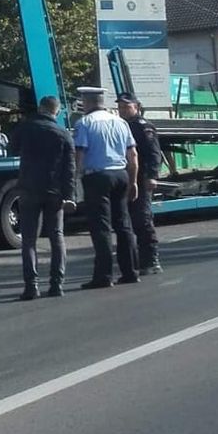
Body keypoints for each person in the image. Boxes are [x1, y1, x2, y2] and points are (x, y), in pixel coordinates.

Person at [8, 96, 76, 300]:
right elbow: (70, 169)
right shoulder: (63, 134)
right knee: (57, 236)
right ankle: (57, 284)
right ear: (57, 112)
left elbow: (12, 148)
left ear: (41, 108)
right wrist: (69, 195)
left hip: (29, 189)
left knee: (29, 240)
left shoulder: (26, 127)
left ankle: (31, 286)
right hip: (54, 191)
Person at [73, 87, 139, 289]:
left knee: (101, 227)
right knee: (123, 224)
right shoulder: (121, 123)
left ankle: (103, 275)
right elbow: (133, 156)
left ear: (87, 102)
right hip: (121, 175)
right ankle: (130, 272)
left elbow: (80, 154)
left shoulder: (84, 123)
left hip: (97, 177)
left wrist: (77, 179)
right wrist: (133, 181)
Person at [117, 92, 164, 275]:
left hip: (141, 177)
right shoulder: (120, 125)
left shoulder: (143, 127)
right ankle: (136, 260)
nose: (122, 110)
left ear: (136, 107)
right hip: (125, 176)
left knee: (142, 219)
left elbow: (154, 153)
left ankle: (152, 259)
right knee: (127, 219)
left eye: (126, 107)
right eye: (120, 107)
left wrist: (152, 175)